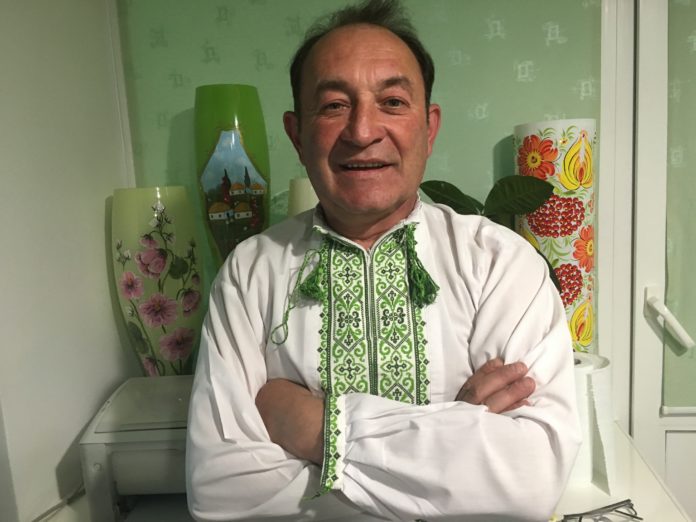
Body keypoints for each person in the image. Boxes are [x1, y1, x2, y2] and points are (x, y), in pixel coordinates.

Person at [186, 0, 581, 520]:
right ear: (297, 135)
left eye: (392, 102)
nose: (362, 131)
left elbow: (529, 479)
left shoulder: (499, 264)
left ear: (429, 128)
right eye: (333, 106)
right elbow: (221, 491)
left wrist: (312, 426)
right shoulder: (249, 272)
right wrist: (455, 431)